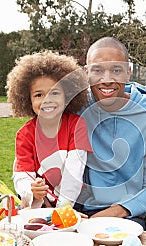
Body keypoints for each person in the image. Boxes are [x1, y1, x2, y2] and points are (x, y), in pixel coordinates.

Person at [75, 37, 146, 229]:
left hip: (131, 215)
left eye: (116, 70)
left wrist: (113, 213)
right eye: (97, 70)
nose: (107, 79)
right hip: (80, 209)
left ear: (128, 73)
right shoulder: (77, 108)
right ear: (86, 73)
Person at [6, 50, 92, 209]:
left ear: (67, 95)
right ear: (27, 99)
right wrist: (31, 189)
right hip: (39, 206)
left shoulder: (76, 125)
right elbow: (21, 175)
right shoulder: (25, 135)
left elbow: (74, 173)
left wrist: (62, 211)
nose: (47, 100)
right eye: (39, 95)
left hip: (72, 205)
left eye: (54, 93)